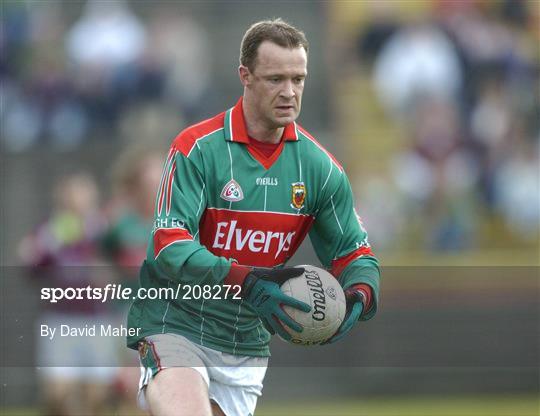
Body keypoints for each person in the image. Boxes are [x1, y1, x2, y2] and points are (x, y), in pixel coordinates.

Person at [127, 18, 380, 416]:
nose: (289, 92)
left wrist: (359, 296)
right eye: (275, 78)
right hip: (175, 321)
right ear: (245, 76)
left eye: (298, 79)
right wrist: (246, 279)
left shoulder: (321, 168)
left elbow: (354, 252)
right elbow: (168, 246)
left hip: (245, 342)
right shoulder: (197, 148)